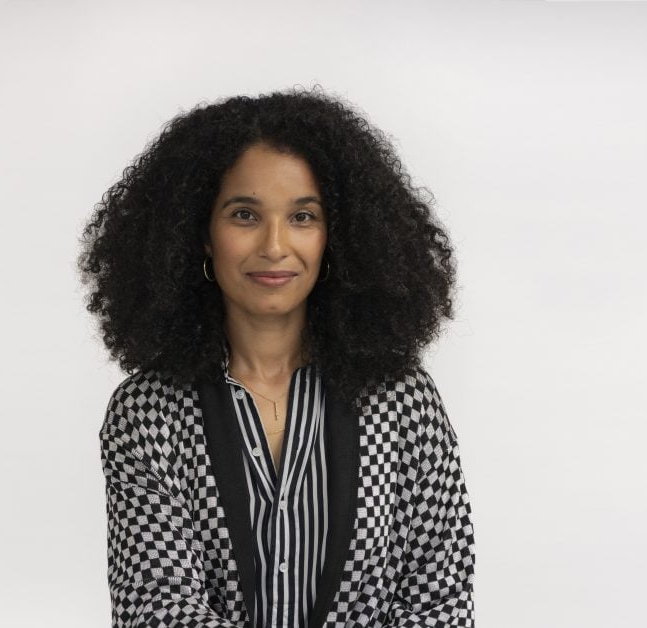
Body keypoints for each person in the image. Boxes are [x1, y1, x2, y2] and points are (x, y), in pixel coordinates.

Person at [77, 85, 475, 627]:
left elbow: (439, 605)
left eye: (303, 217)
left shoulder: (403, 402)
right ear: (198, 234)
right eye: (244, 214)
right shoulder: (149, 413)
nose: (274, 245)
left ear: (339, 236)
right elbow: (159, 611)